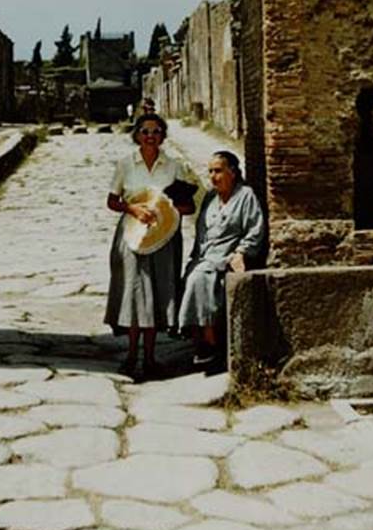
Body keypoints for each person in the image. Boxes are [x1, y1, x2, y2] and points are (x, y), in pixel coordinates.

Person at [105, 112, 194, 378]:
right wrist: (132, 208)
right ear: (136, 135)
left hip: (164, 237)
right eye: (145, 131)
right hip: (132, 235)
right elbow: (112, 201)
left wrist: (166, 208)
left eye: (156, 132)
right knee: (134, 293)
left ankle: (151, 357)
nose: (150, 136)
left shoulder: (174, 167)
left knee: (156, 293)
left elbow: (188, 206)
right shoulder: (125, 165)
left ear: (163, 136)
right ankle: (132, 355)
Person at [178, 150, 265, 373]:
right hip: (206, 255)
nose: (213, 177)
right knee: (190, 275)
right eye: (210, 172)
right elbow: (201, 232)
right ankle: (198, 338)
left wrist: (241, 252)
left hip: (226, 254)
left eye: (218, 171)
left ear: (232, 172)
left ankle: (210, 343)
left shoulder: (245, 196)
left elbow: (255, 229)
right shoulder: (209, 197)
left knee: (200, 279)